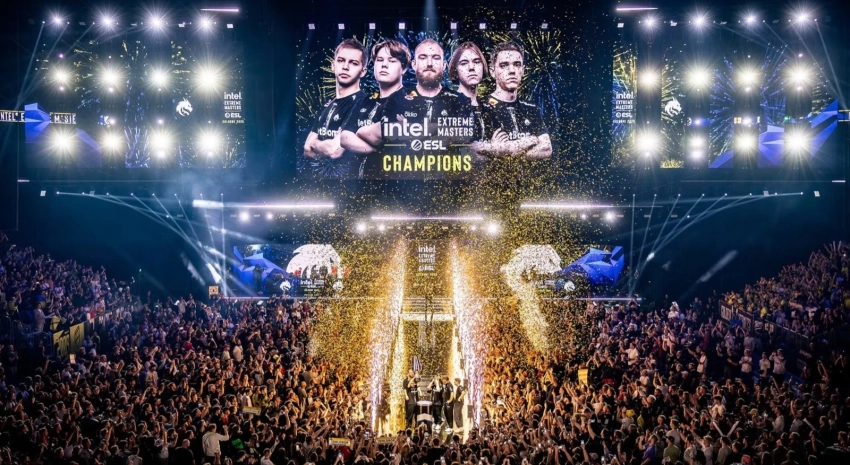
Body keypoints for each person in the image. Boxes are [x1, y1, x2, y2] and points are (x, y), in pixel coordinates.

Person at [340, 39, 411, 177]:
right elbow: (344, 138)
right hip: (358, 183)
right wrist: (376, 150)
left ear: (403, 68)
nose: (384, 65)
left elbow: (380, 135)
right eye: (379, 60)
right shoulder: (364, 101)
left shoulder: (409, 101)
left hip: (393, 182)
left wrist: (359, 133)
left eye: (392, 61)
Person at [470, 41, 552, 160]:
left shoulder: (531, 108)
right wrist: (528, 142)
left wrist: (502, 151)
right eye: (504, 65)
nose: (512, 70)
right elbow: (470, 151)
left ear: (523, 70)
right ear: (493, 72)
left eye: (517, 64)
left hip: (528, 173)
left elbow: (546, 149)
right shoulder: (480, 107)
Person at [303, 38, 368, 178]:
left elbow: (334, 151)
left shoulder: (363, 103)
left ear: (363, 71)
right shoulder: (327, 105)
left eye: (353, 63)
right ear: (333, 65)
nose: (345, 67)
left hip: (349, 185)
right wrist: (322, 147)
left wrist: (315, 143)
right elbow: (307, 149)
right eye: (341, 60)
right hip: (318, 184)